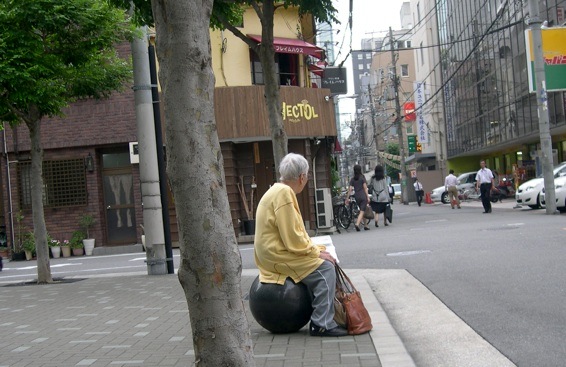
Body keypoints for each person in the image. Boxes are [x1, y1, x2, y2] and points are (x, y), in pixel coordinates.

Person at [254, 153, 347, 337]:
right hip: (277, 255)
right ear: (302, 177)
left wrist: (316, 250)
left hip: (270, 253)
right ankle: (322, 323)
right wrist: (316, 253)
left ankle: (322, 318)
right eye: (307, 176)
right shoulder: (285, 193)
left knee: (323, 258)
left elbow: (292, 236)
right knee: (326, 269)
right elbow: (293, 239)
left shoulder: (275, 190)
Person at [345, 164, 370, 231]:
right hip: (363, 196)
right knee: (362, 211)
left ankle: (365, 225)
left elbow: (350, 189)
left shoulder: (352, 179)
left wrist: (347, 198)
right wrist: (367, 197)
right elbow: (365, 188)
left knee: (363, 209)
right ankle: (357, 224)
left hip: (357, 196)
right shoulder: (362, 177)